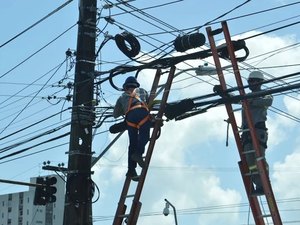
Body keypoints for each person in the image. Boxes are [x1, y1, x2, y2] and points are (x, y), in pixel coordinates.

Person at [113, 76, 151, 181]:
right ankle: (138, 154)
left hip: (130, 119)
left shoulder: (122, 97)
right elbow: (148, 103)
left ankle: (131, 170)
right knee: (144, 136)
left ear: (126, 87)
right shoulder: (143, 91)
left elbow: (115, 114)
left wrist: (124, 107)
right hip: (142, 113)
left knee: (132, 144)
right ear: (136, 86)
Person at [241, 71, 273, 195]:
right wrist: (223, 94)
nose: (251, 83)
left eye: (254, 80)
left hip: (258, 130)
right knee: (250, 161)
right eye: (249, 81)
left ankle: (265, 183)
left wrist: (251, 101)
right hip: (247, 133)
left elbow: (267, 101)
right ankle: (259, 185)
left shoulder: (266, 95)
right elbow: (235, 100)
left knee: (259, 158)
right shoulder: (245, 97)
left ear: (260, 82)